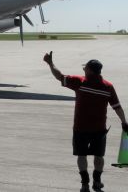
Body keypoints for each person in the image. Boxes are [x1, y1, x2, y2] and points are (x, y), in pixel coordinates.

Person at [43, 51, 128, 192]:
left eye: (85, 68)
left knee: (81, 155)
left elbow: (59, 76)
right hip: (99, 129)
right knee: (99, 156)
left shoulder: (80, 82)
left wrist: (50, 63)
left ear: (89, 70)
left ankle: (85, 184)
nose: (83, 69)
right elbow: (117, 107)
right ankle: (97, 182)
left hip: (80, 128)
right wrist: (124, 122)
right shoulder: (108, 86)